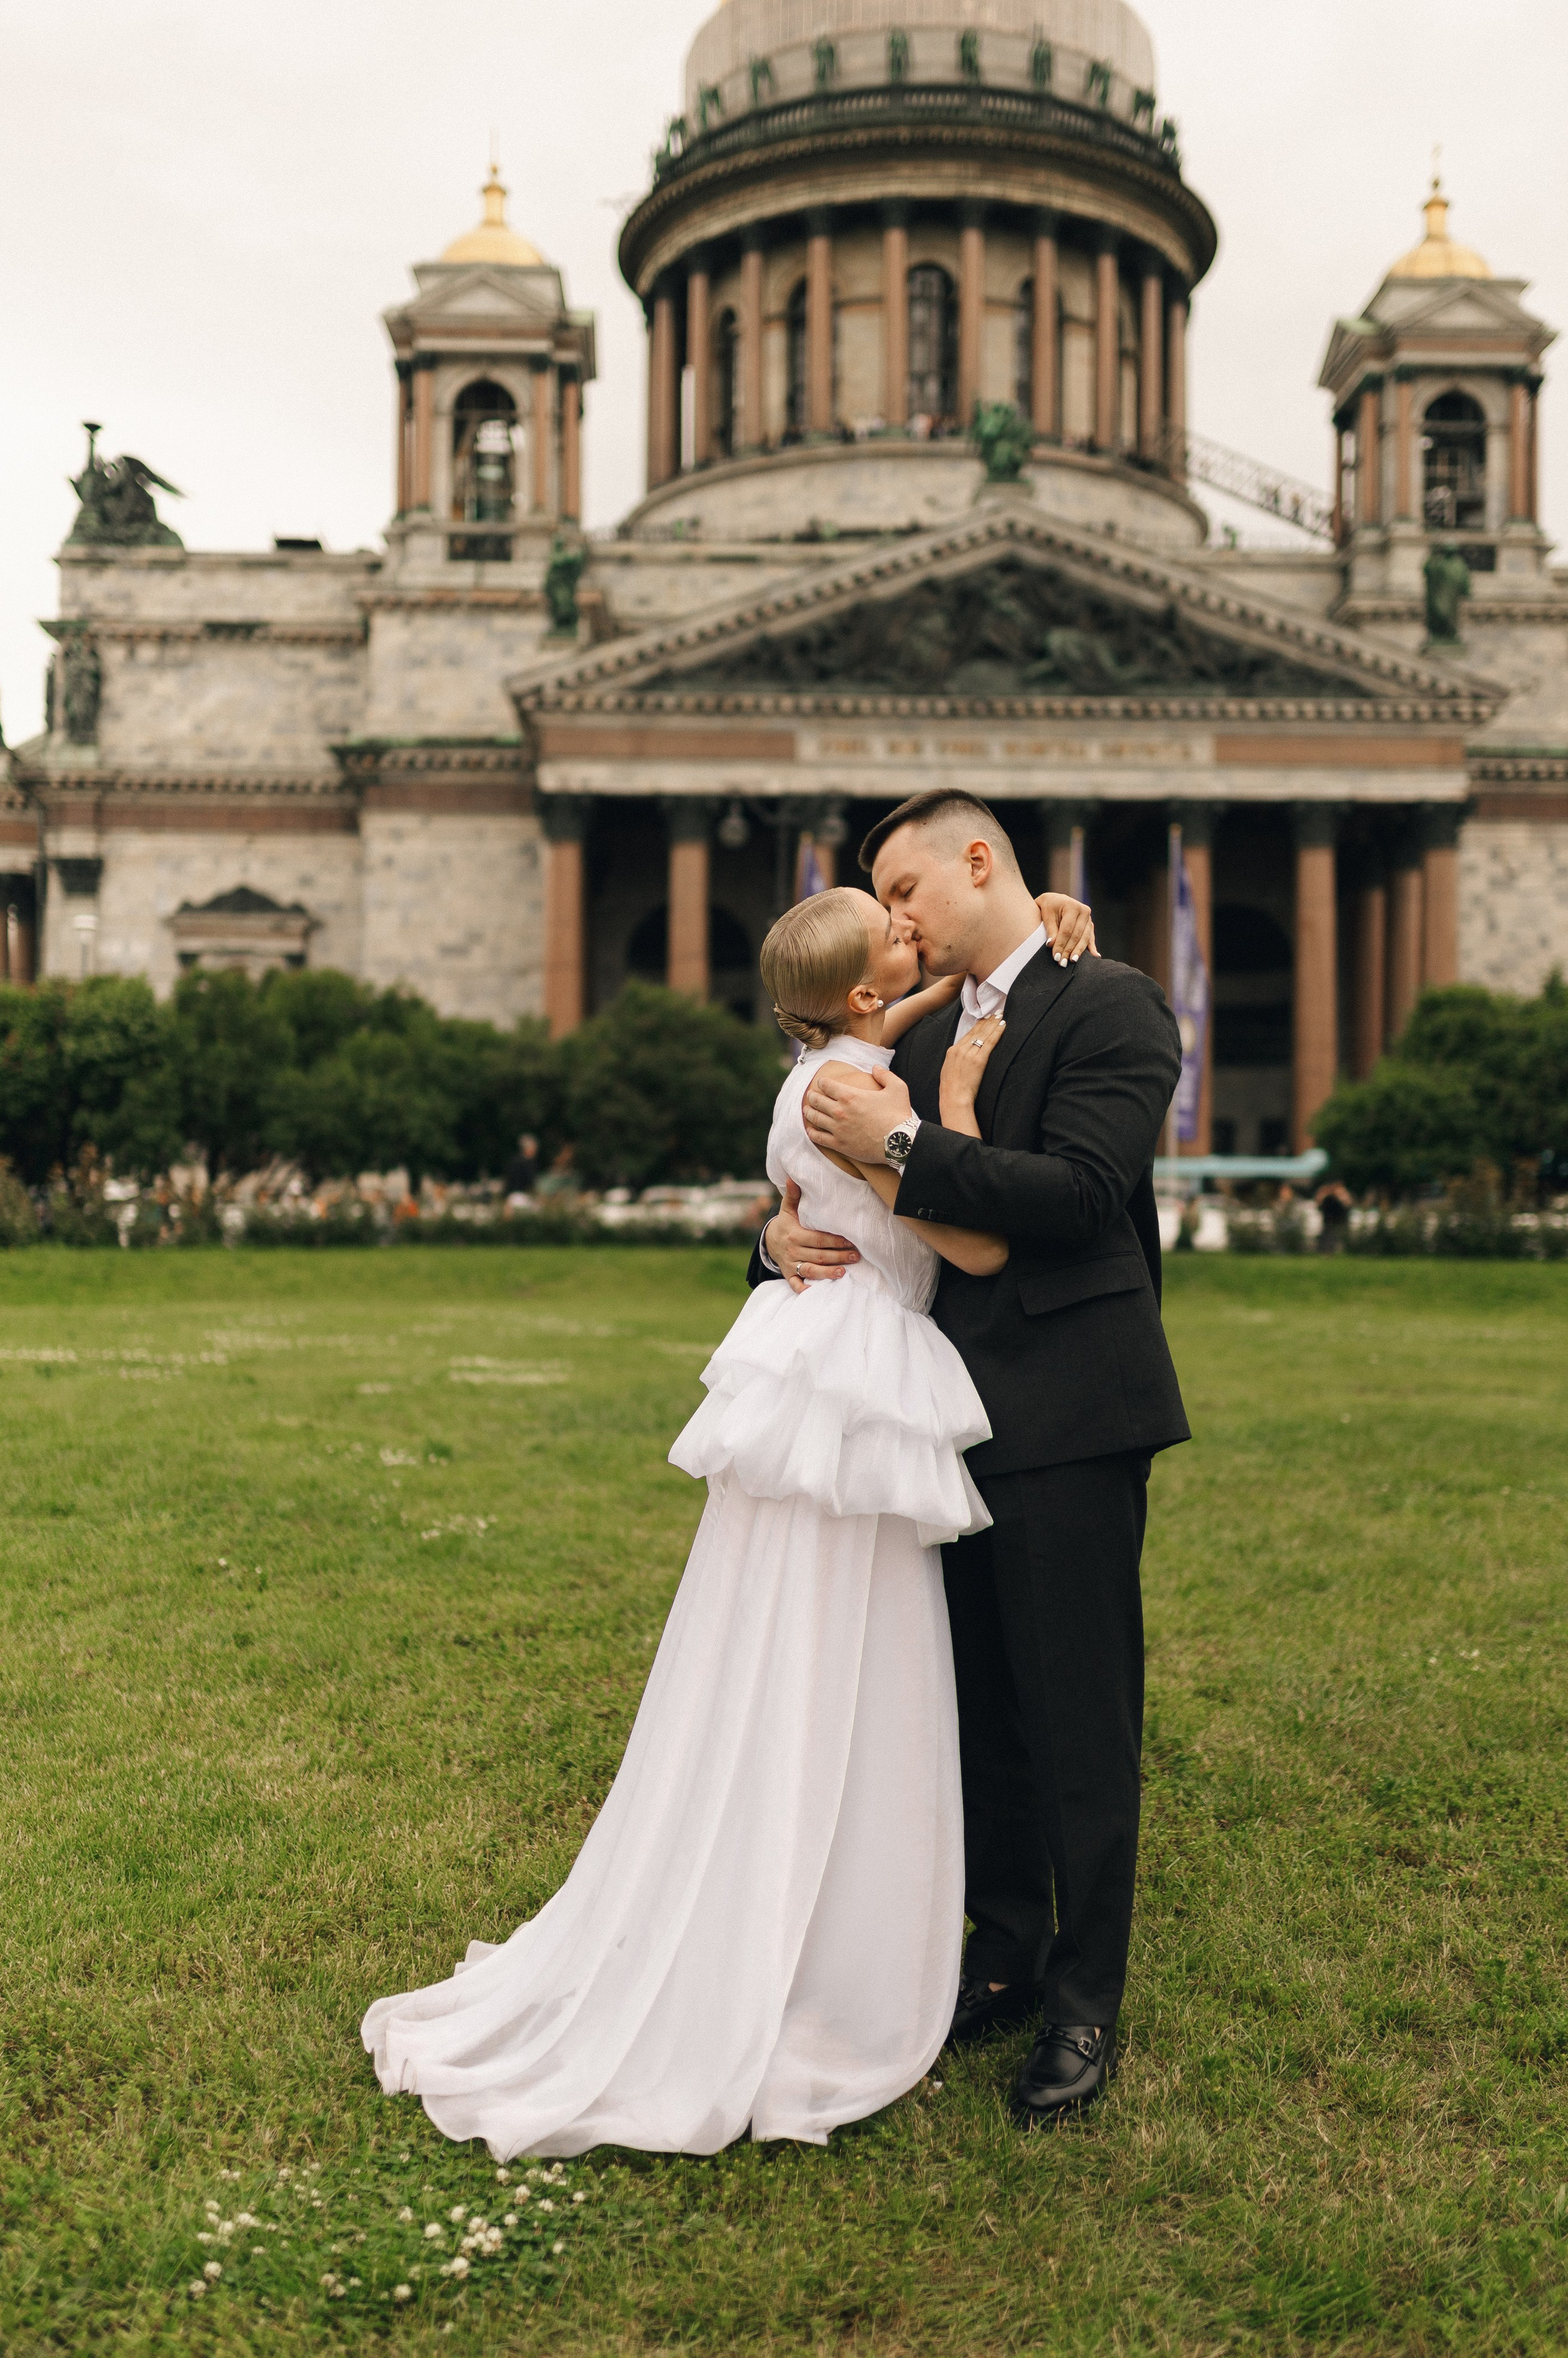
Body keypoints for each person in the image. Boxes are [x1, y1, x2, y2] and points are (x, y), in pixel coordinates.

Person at [361, 882, 1077, 2160]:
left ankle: (791, 1888)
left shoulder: (818, 1060)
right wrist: (957, 1093)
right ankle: (819, 1938)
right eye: (897, 938)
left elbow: (876, 1028)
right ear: (860, 996)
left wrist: (1022, 940)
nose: (918, 940)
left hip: (808, 1365)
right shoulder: (871, 1097)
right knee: (846, 1650)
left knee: (778, 1635)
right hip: (859, 1377)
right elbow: (966, 1241)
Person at [761, 788, 1189, 2130]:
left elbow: (1075, 1195)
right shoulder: (923, 1023)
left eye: (902, 890)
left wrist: (902, 1144)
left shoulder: (1113, 1004)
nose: (889, 920)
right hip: (929, 1423)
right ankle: (998, 1952)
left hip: (1067, 1408)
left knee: (1075, 1718)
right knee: (977, 1715)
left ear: (977, 859)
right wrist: (769, 1244)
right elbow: (826, 1175)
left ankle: (1083, 2000)